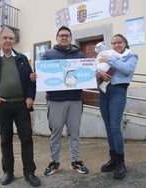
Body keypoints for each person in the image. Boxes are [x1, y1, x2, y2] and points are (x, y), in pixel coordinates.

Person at [0, 28, 41, 187]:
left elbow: (31, 80)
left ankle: (29, 172)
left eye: (11, 38)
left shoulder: (22, 59)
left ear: (14, 41)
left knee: (26, 138)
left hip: (22, 105)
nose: (8, 41)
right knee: (6, 139)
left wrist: (30, 97)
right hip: (2, 105)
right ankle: (8, 172)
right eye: (5, 38)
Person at [31, 26, 89, 176]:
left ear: (71, 38)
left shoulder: (80, 55)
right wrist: (35, 76)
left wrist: (91, 75)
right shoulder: (47, 55)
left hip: (75, 99)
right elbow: (39, 73)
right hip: (55, 100)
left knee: (74, 132)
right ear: (57, 38)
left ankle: (75, 161)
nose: (64, 37)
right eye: (61, 35)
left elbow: (86, 74)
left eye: (67, 35)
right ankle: (54, 162)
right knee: (55, 132)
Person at [96, 34, 138, 179]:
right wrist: (100, 72)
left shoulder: (131, 56)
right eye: (113, 43)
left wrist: (110, 59)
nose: (116, 45)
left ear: (125, 43)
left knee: (115, 127)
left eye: (119, 42)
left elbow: (126, 69)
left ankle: (121, 163)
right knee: (108, 127)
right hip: (103, 92)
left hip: (118, 92)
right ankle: (113, 159)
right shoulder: (108, 54)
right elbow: (97, 67)